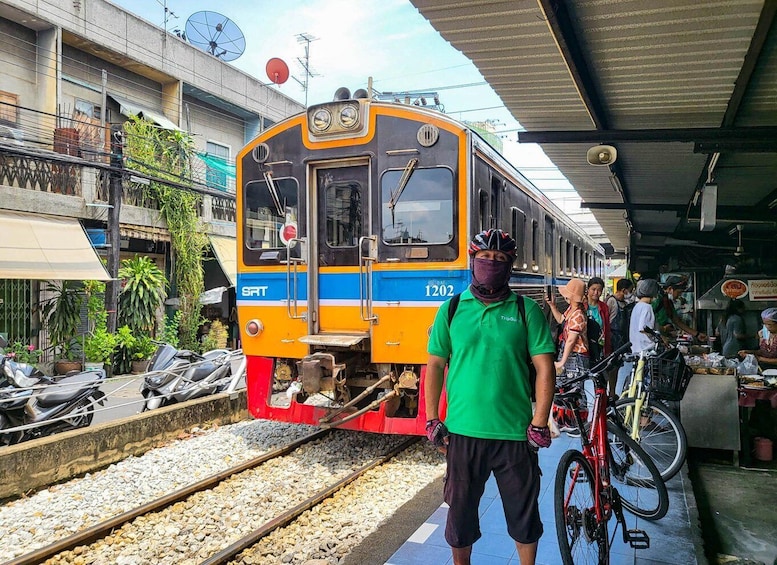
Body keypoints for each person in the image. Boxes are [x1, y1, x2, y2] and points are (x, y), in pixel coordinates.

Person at [425, 229, 556, 565]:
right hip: (463, 432)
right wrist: (432, 418)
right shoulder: (451, 309)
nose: (491, 264)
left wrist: (539, 421)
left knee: (524, 516)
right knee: (460, 516)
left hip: (515, 433)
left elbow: (545, 367)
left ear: (510, 266)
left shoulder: (527, 311)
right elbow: (435, 365)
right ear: (473, 262)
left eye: (500, 259)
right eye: (484, 258)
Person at [546, 278, 588, 437]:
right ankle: (564, 422)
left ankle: (576, 425)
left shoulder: (578, 314)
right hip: (570, 355)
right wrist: (552, 306)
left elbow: (571, 339)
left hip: (576, 357)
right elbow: (561, 320)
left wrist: (562, 361)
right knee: (563, 387)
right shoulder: (572, 310)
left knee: (575, 389)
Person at [653, 275, 708, 342]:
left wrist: (697, 334)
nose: (680, 295)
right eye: (679, 292)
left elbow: (677, 321)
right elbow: (649, 322)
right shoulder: (656, 300)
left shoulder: (668, 303)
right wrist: (663, 329)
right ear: (670, 289)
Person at [606, 278, 635, 398]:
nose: (631, 293)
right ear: (623, 290)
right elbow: (606, 321)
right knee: (610, 367)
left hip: (621, 339)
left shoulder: (624, 303)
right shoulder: (611, 301)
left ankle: (612, 392)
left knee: (616, 367)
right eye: (630, 290)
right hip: (612, 338)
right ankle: (608, 392)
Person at [630, 279, 660, 354]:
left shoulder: (637, 306)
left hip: (636, 348)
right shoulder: (647, 307)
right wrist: (656, 335)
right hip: (645, 349)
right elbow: (643, 328)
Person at [585, 276, 611, 364]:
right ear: (588, 289)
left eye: (599, 290)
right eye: (593, 289)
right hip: (584, 346)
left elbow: (606, 329)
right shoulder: (581, 305)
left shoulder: (604, 307)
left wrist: (607, 350)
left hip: (597, 347)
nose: (596, 292)